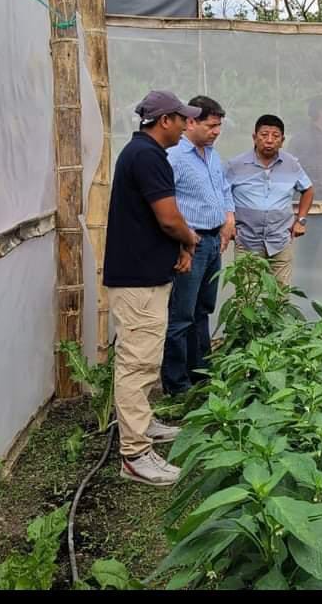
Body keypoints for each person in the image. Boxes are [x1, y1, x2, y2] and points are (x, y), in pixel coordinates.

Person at [103, 91, 202, 487]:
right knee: (137, 363)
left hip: (143, 276)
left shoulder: (143, 153)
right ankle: (134, 455)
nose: (186, 126)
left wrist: (177, 247)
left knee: (143, 358)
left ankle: (142, 424)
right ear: (165, 121)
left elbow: (155, 220)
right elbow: (168, 218)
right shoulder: (147, 157)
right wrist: (190, 239)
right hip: (138, 281)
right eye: (182, 119)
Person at [162, 95, 235, 398]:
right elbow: (164, 202)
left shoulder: (212, 155)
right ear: (191, 122)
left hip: (213, 241)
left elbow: (224, 189)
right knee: (181, 315)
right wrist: (183, 242)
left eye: (219, 126)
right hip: (189, 244)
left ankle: (201, 374)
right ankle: (177, 384)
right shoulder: (174, 157)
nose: (216, 132)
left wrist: (229, 218)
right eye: (211, 126)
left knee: (203, 309)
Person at [226, 114, 314, 286]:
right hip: (247, 241)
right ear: (254, 137)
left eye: (275, 136)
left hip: (280, 240)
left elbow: (308, 190)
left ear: (282, 140)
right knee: (247, 294)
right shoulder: (235, 165)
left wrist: (301, 220)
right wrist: (228, 222)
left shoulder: (291, 164)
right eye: (264, 135)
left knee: (281, 294)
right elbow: (222, 194)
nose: (269, 140)